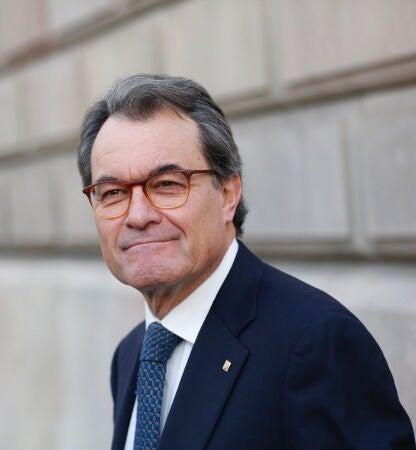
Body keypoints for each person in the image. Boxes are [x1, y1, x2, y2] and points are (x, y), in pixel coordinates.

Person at [76, 74, 415, 450]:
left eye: (167, 184)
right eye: (113, 192)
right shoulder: (131, 354)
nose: (138, 216)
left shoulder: (315, 342)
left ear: (228, 194)